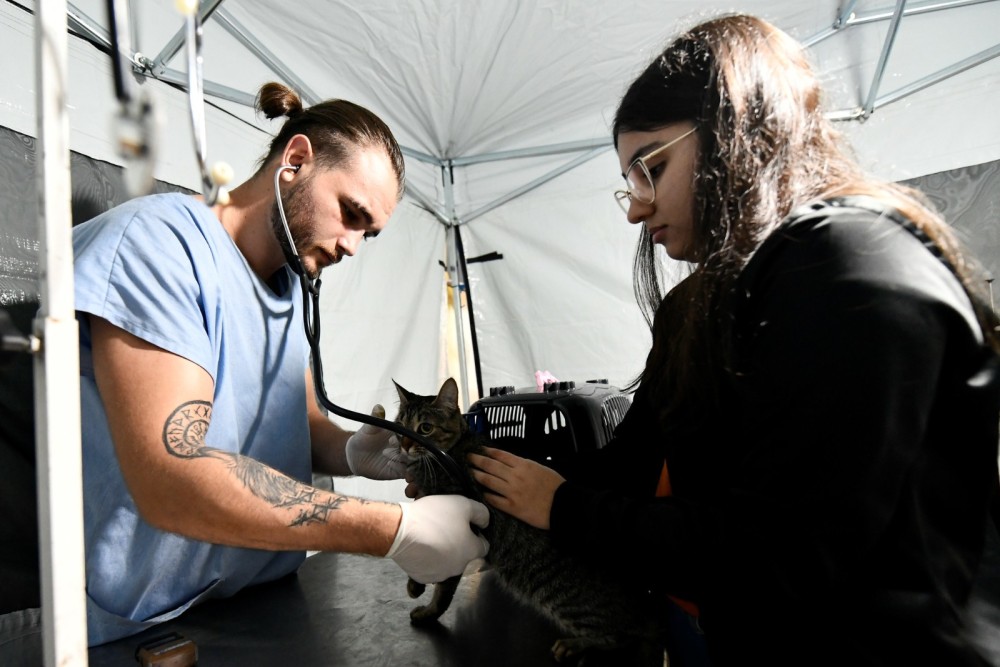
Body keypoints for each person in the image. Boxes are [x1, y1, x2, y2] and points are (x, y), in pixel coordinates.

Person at [467, 14, 1000, 666]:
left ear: (734, 133)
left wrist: (564, 508)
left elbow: (777, 551)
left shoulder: (847, 269)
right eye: (628, 182)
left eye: (651, 167)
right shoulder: (714, 304)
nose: (635, 207)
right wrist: (480, 483)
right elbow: (632, 465)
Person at [74, 81, 488, 646]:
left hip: (259, 602)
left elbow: (304, 423)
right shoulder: (159, 248)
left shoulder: (291, 286)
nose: (351, 247)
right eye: (351, 214)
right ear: (295, 160)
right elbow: (173, 476)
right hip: (147, 631)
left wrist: (351, 450)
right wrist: (391, 528)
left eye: (368, 233)